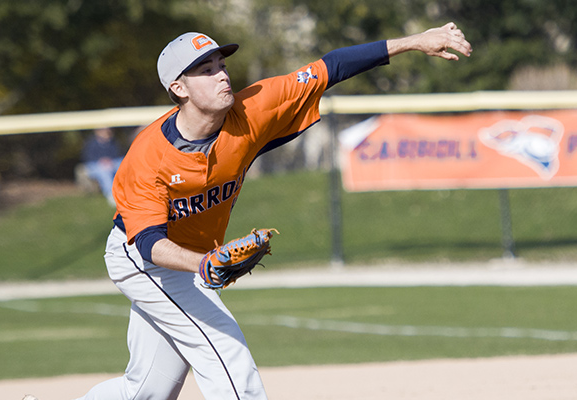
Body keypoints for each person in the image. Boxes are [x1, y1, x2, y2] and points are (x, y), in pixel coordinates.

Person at [67, 23, 471, 400]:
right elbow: (150, 243)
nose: (222, 75)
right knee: (224, 350)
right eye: (205, 70)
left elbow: (329, 67)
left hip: (191, 258)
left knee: (147, 391)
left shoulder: (251, 110)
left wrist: (415, 40)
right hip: (143, 258)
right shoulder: (148, 157)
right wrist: (205, 264)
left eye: (221, 65)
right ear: (179, 87)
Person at [81, 127, 124, 206]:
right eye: (104, 130)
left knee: (123, 164)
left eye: (108, 130)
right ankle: (111, 195)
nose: (107, 132)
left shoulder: (114, 142)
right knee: (104, 171)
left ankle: (130, 192)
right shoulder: (91, 143)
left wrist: (109, 161)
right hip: (95, 166)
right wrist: (102, 161)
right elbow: (88, 158)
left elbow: (118, 155)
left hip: (112, 164)